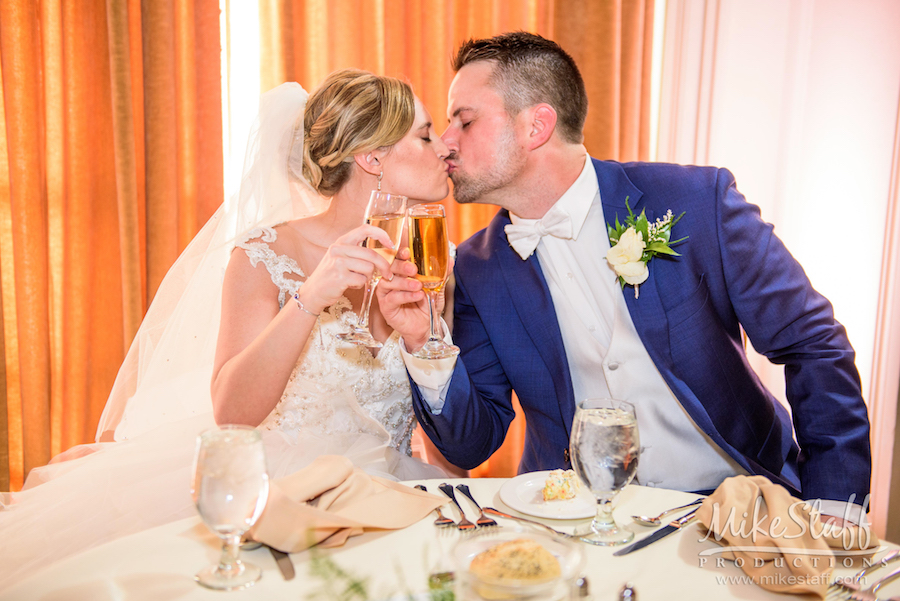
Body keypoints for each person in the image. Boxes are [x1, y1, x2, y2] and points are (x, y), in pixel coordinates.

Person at [380, 32, 871, 524]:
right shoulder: (477, 268)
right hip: (574, 524)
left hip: (740, 505)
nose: (444, 142)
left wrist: (834, 507)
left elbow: (813, 343)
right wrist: (423, 342)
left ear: (536, 126)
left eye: (464, 121)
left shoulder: (696, 202)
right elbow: (472, 442)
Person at [0, 69, 457, 592]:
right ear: (371, 160)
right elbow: (232, 413)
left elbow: (441, 416)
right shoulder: (265, 255)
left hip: (386, 499)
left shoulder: (434, 259)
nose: (445, 147)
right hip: (276, 495)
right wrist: (310, 297)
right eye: (424, 135)